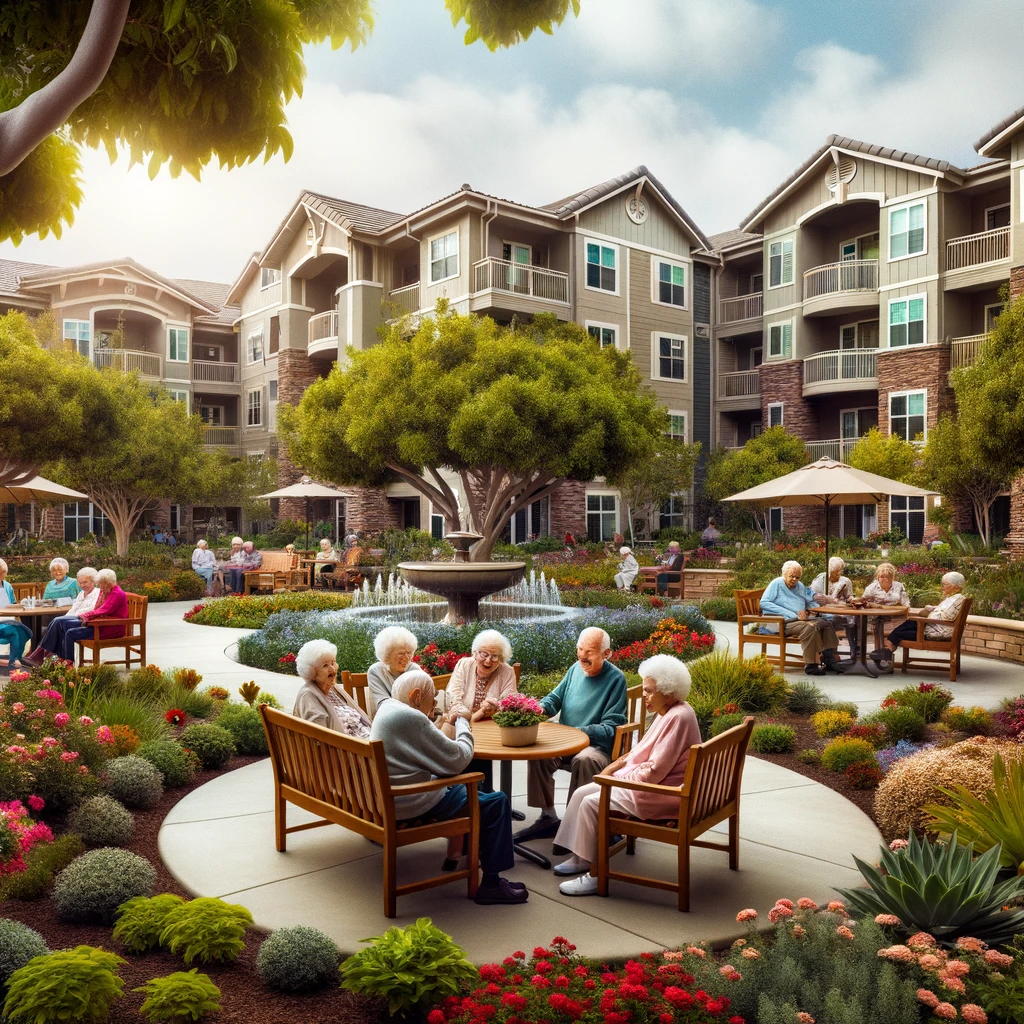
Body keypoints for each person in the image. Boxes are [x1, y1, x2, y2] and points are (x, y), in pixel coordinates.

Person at [369, 668, 528, 905]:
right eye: (431, 697)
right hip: (411, 802)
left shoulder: (389, 708)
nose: (435, 702)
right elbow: (458, 758)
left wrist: (438, 721)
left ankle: (466, 851)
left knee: (479, 791)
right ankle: (492, 884)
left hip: (391, 797)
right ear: (415, 696)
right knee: (497, 802)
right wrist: (463, 720)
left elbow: (426, 745)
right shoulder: (411, 719)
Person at [554, 653, 701, 895]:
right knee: (582, 792)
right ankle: (581, 858)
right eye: (645, 689)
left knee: (593, 802)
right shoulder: (670, 711)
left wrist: (615, 777)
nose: (645, 695)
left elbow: (654, 772)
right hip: (658, 787)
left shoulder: (678, 718)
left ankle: (595, 874)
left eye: (650, 691)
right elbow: (641, 756)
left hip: (664, 794)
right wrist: (614, 770)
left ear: (668, 691)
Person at [513, 627, 627, 844]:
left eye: (590, 652)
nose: (582, 656)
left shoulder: (616, 679)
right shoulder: (575, 669)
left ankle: (575, 824)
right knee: (538, 752)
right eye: (579, 649)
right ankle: (548, 817)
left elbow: (611, 728)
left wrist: (579, 732)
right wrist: (538, 709)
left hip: (597, 747)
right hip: (567, 743)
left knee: (585, 760)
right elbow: (554, 699)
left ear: (607, 653)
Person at [443, 630, 518, 790]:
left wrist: (496, 707)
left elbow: (510, 702)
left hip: (492, 732)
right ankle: (478, 798)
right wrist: (477, 714)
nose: (488, 660)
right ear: (475, 653)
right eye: (484, 654)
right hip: (460, 725)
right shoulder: (464, 665)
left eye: (495, 656)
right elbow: (453, 697)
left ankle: (486, 798)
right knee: (468, 747)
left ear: (501, 657)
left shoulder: (507, 671)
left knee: (483, 749)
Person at [870, 571, 967, 673]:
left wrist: (929, 614)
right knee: (909, 623)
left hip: (935, 632)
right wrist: (932, 609)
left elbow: (945, 617)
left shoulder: (955, 600)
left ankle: (888, 650)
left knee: (901, 631)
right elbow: (944, 613)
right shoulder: (956, 599)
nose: (942, 587)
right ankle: (888, 650)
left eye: (945, 584)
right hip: (937, 627)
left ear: (957, 586)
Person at [27, 568, 127, 664]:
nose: (100, 586)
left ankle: (64, 662)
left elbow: (103, 610)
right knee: (59, 622)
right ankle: (57, 660)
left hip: (108, 627)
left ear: (108, 583)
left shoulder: (116, 593)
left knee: (62, 625)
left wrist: (86, 615)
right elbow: (97, 608)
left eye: (101, 583)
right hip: (98, 623)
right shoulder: (104, 591)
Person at [760, 560, 842, 676]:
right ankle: (811, 665)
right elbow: (764, 603)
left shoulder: (799, 586)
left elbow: (809, 599)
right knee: (810, 628)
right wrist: (792, 613)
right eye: (791, 576)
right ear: (784, 574)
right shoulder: (777, 583)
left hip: (795, 620)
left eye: (797, 577)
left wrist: (813, 611)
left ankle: (829, 659)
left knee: (825, 624)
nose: (794, 580)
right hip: (778, 622)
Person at [292, 639, 372, 737]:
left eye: (333, 662)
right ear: (312, 671)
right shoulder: (308, 696)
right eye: (325, 665)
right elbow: (321, 737)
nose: (333, 669)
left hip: (367, 741)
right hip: (351, 749)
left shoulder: (333, 688)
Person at [811, 556, 858, 661]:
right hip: (824, 612)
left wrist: (852, 600)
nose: (837, 575)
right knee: (829, 619)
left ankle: (854, 650)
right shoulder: (820, 580)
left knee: (854, 619)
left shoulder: (845, 581)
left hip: (841, 611)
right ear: (829, 570)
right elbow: (812, 596)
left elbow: (849, 596)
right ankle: (830, 653)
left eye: (838, 572)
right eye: (834, 572)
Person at [367, 625, 419, 715]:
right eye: (400, 653)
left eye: (409, 653)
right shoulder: (376, 672)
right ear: (386, 656)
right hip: (389, 721)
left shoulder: (415, 670)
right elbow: (383, 705)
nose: (406, 658)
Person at [862, 562, 910, 648]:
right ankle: (883, 651)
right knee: (877, 626)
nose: (884, 579)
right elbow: (863, 602)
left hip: (895, 617)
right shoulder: (871, 588)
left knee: (898, 629)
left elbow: (906, 604)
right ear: (878, 577)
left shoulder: (899, 586)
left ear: (892, 578)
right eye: (882, 576)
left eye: (888, 577)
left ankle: (886, 651)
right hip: (876, 617)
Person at [0, 557, 33, 672]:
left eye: (3, 572)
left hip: (8, 620)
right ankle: (13, 662)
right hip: (3, 622)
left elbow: (13, 604)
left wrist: (20, 605)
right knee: (16, 631)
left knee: (22, 631)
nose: (1, 575)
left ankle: (14, 660)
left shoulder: (7, 586)